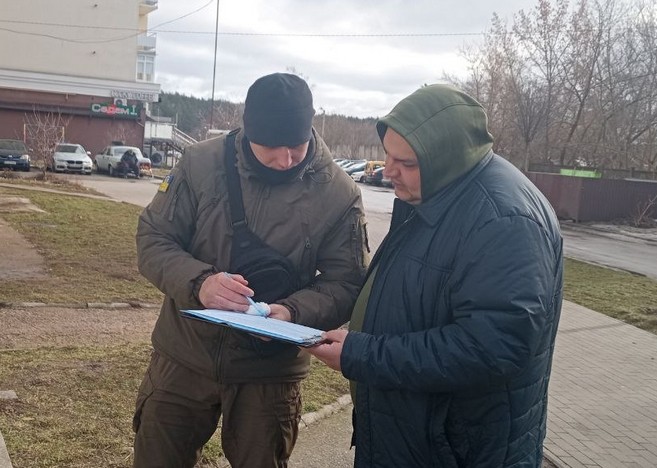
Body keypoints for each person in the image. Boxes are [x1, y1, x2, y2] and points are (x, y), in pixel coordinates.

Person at [307, 84, 563, 467]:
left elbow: (492, 348)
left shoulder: (504, 220)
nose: (388, 171)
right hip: (412, 433)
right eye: (387, 155)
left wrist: (363, 354)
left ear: (446, 158)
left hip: (454, 449)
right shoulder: (439, 193)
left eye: (406, 163)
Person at [133, 73, 369, 467]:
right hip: (184, 356)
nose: (286, 160)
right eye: (271, 148)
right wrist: (200, 282)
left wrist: (292, 312)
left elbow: (346, 281)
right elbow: (154, 238)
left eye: (296, 147)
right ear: (248, 132)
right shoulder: (200, 164)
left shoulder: (338, 192)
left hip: (269, 375)